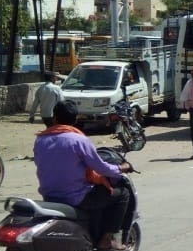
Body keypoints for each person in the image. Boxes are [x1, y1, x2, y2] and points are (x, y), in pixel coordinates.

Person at [34, 100, 132, 250]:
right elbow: (101, 167)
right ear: (75, 120)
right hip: (76, 198)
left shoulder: (40, 139)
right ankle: (108, 239)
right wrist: (121, 167)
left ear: (54, 119)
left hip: (49, 195)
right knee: (123, 194)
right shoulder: (79, 140)